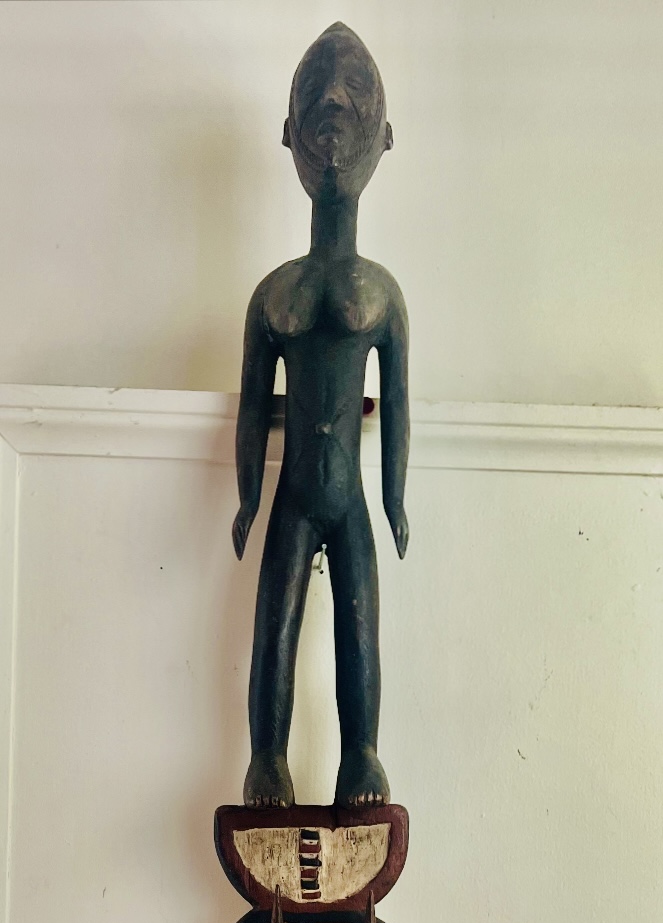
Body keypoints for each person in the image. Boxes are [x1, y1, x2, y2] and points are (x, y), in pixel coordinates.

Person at [233, 22, 409, 809]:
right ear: (290, 135)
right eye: (316, 108)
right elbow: (251, 406)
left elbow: (396, 403)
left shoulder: (383, 293)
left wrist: (395, 498)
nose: (333, 115)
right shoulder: (273, 294)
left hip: (349, 501)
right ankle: (266, 759)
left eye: (352, 105)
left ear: (383, 138)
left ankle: (360, 757)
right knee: (273, 625)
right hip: (293, 500)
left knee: (357, 629)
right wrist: (246, 495)